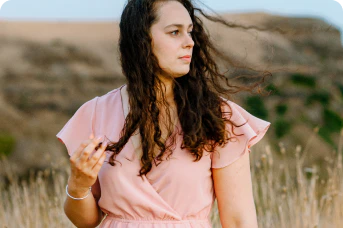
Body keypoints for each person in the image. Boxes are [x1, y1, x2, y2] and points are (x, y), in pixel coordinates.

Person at [56, 0, 271, 227]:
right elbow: (86, 222)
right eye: (175, 32)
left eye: (190, 32)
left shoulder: (217, 116)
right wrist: (78, 185)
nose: (189, 43)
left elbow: (239, 221)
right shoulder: (96, 113)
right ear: (141, 39)